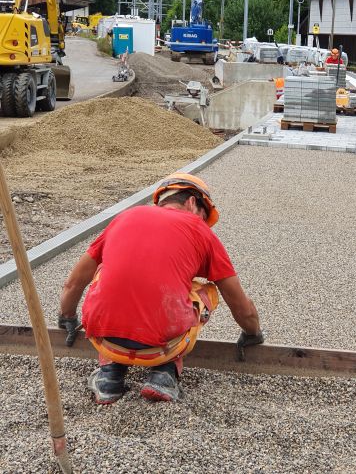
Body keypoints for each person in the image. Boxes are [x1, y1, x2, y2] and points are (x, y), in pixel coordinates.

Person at [58, 173, 263, 405]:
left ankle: (109, 376)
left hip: (104, 340)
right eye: (204, 216)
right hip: (163, 347)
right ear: (193, 203)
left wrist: (66, 318)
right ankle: (164, 374)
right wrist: (252, 333)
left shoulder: (125, 217)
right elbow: (237, 301)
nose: (203, 222)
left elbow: (74, 282)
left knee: (103, 275)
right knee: (205, 291)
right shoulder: (199, 230)